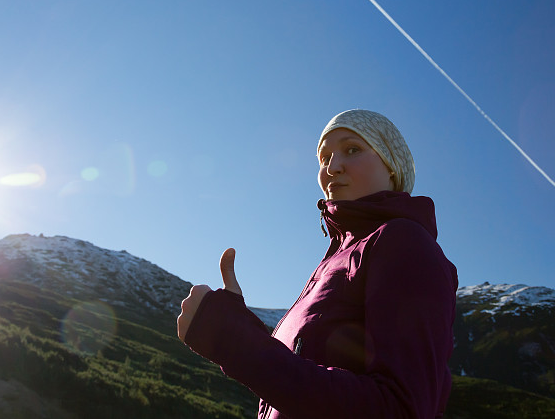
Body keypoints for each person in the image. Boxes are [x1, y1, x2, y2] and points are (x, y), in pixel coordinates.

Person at [177, 109, 458, 418]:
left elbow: (401, 408)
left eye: (352, 149)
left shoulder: (404, 243)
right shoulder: (334, 262)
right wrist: (239, 326)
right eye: (324, 158)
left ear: (391, 166)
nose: (332, 167)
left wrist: (231, 338)